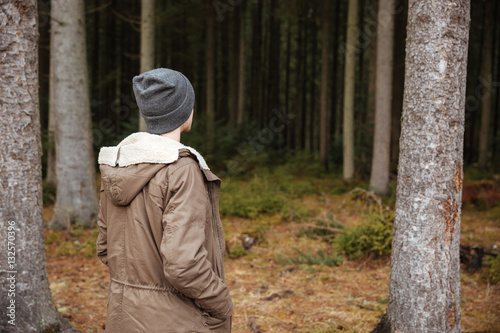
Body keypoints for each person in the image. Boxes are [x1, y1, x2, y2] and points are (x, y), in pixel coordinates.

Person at [96, 68, 233, 332]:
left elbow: (105, 248)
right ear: (185, 110)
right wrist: (222, 303)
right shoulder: (182, 169)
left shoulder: (117, 164)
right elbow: (184, 264)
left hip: (122, 316)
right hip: (175, 321)